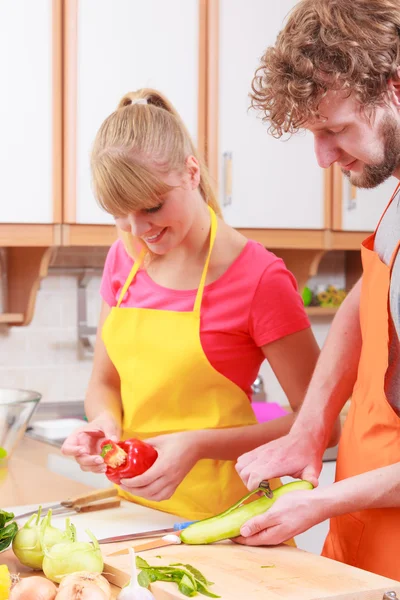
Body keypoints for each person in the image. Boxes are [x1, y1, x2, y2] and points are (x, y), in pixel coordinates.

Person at [61, 88, 321, 521]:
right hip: (138, 515)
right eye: (119, 213)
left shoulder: (259, 277)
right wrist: (103, 422)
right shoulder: (123, 257)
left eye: (151, 206)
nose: (137, 228)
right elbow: (104, 381)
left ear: (192, 172)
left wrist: (198, 446)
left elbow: (326, 423)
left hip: (231, 521)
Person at [235, 0, 400, 580]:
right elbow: (366, 302)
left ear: (396, 90)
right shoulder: (397, 203)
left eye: (333, 129)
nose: (323, 156)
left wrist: (322, 500)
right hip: (363, 553)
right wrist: (308, 431)